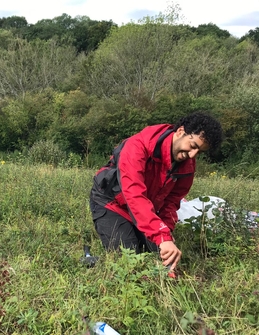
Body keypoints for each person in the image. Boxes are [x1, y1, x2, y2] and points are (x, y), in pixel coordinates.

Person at [89, 112, 223, 271]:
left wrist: (166, 235)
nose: (192, 155)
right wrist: (161, 236)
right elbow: (134, 195)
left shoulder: (187, 165)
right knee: (129, 257)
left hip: (145, 209)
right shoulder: (138, 146)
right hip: (111, 203)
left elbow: (172, 202)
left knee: (158, 256)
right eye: (193, 146)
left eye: (199, 152)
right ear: (180, 132)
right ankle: (92, 261)